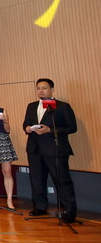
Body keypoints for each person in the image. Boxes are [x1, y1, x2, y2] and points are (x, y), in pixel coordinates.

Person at [22, 78, 79, 222]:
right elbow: (26, 123)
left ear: (52, 89)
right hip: (35, 148)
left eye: (44, 88)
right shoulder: (31, 106)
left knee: (61, 180)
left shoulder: (62, 106)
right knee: (36, 179)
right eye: (38, 88)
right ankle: (40, 207)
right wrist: (27, 128)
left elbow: (72, 127)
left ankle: (69, 211)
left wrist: (51, 130)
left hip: (55, 149)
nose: (41, 91)